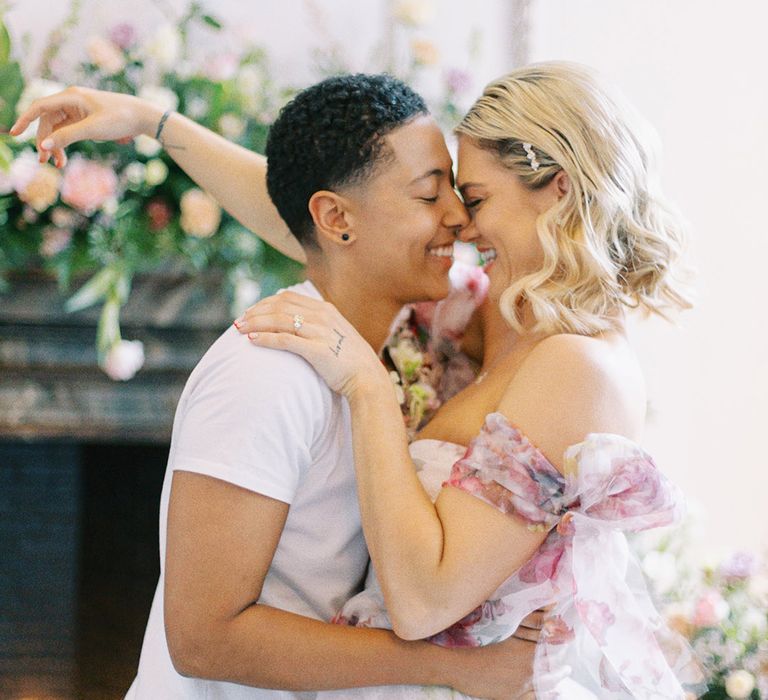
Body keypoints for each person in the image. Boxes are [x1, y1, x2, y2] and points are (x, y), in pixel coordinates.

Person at [12, 74, 549, 698]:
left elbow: (308, 220)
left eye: (457, 192)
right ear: (336, 218)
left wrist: (153, 121)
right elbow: (203, 638)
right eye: (431, 196)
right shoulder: (268, 372)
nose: (459, 219)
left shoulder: (407, 337)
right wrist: (457, 667)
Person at [232, 63, 707, 699]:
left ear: (558, 189)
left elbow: (424, 603)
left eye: (476, 199)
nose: (462, 222)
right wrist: (153, 127)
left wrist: (368, 388)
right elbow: (337, 229)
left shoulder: (579, 368)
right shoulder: (509, 321)